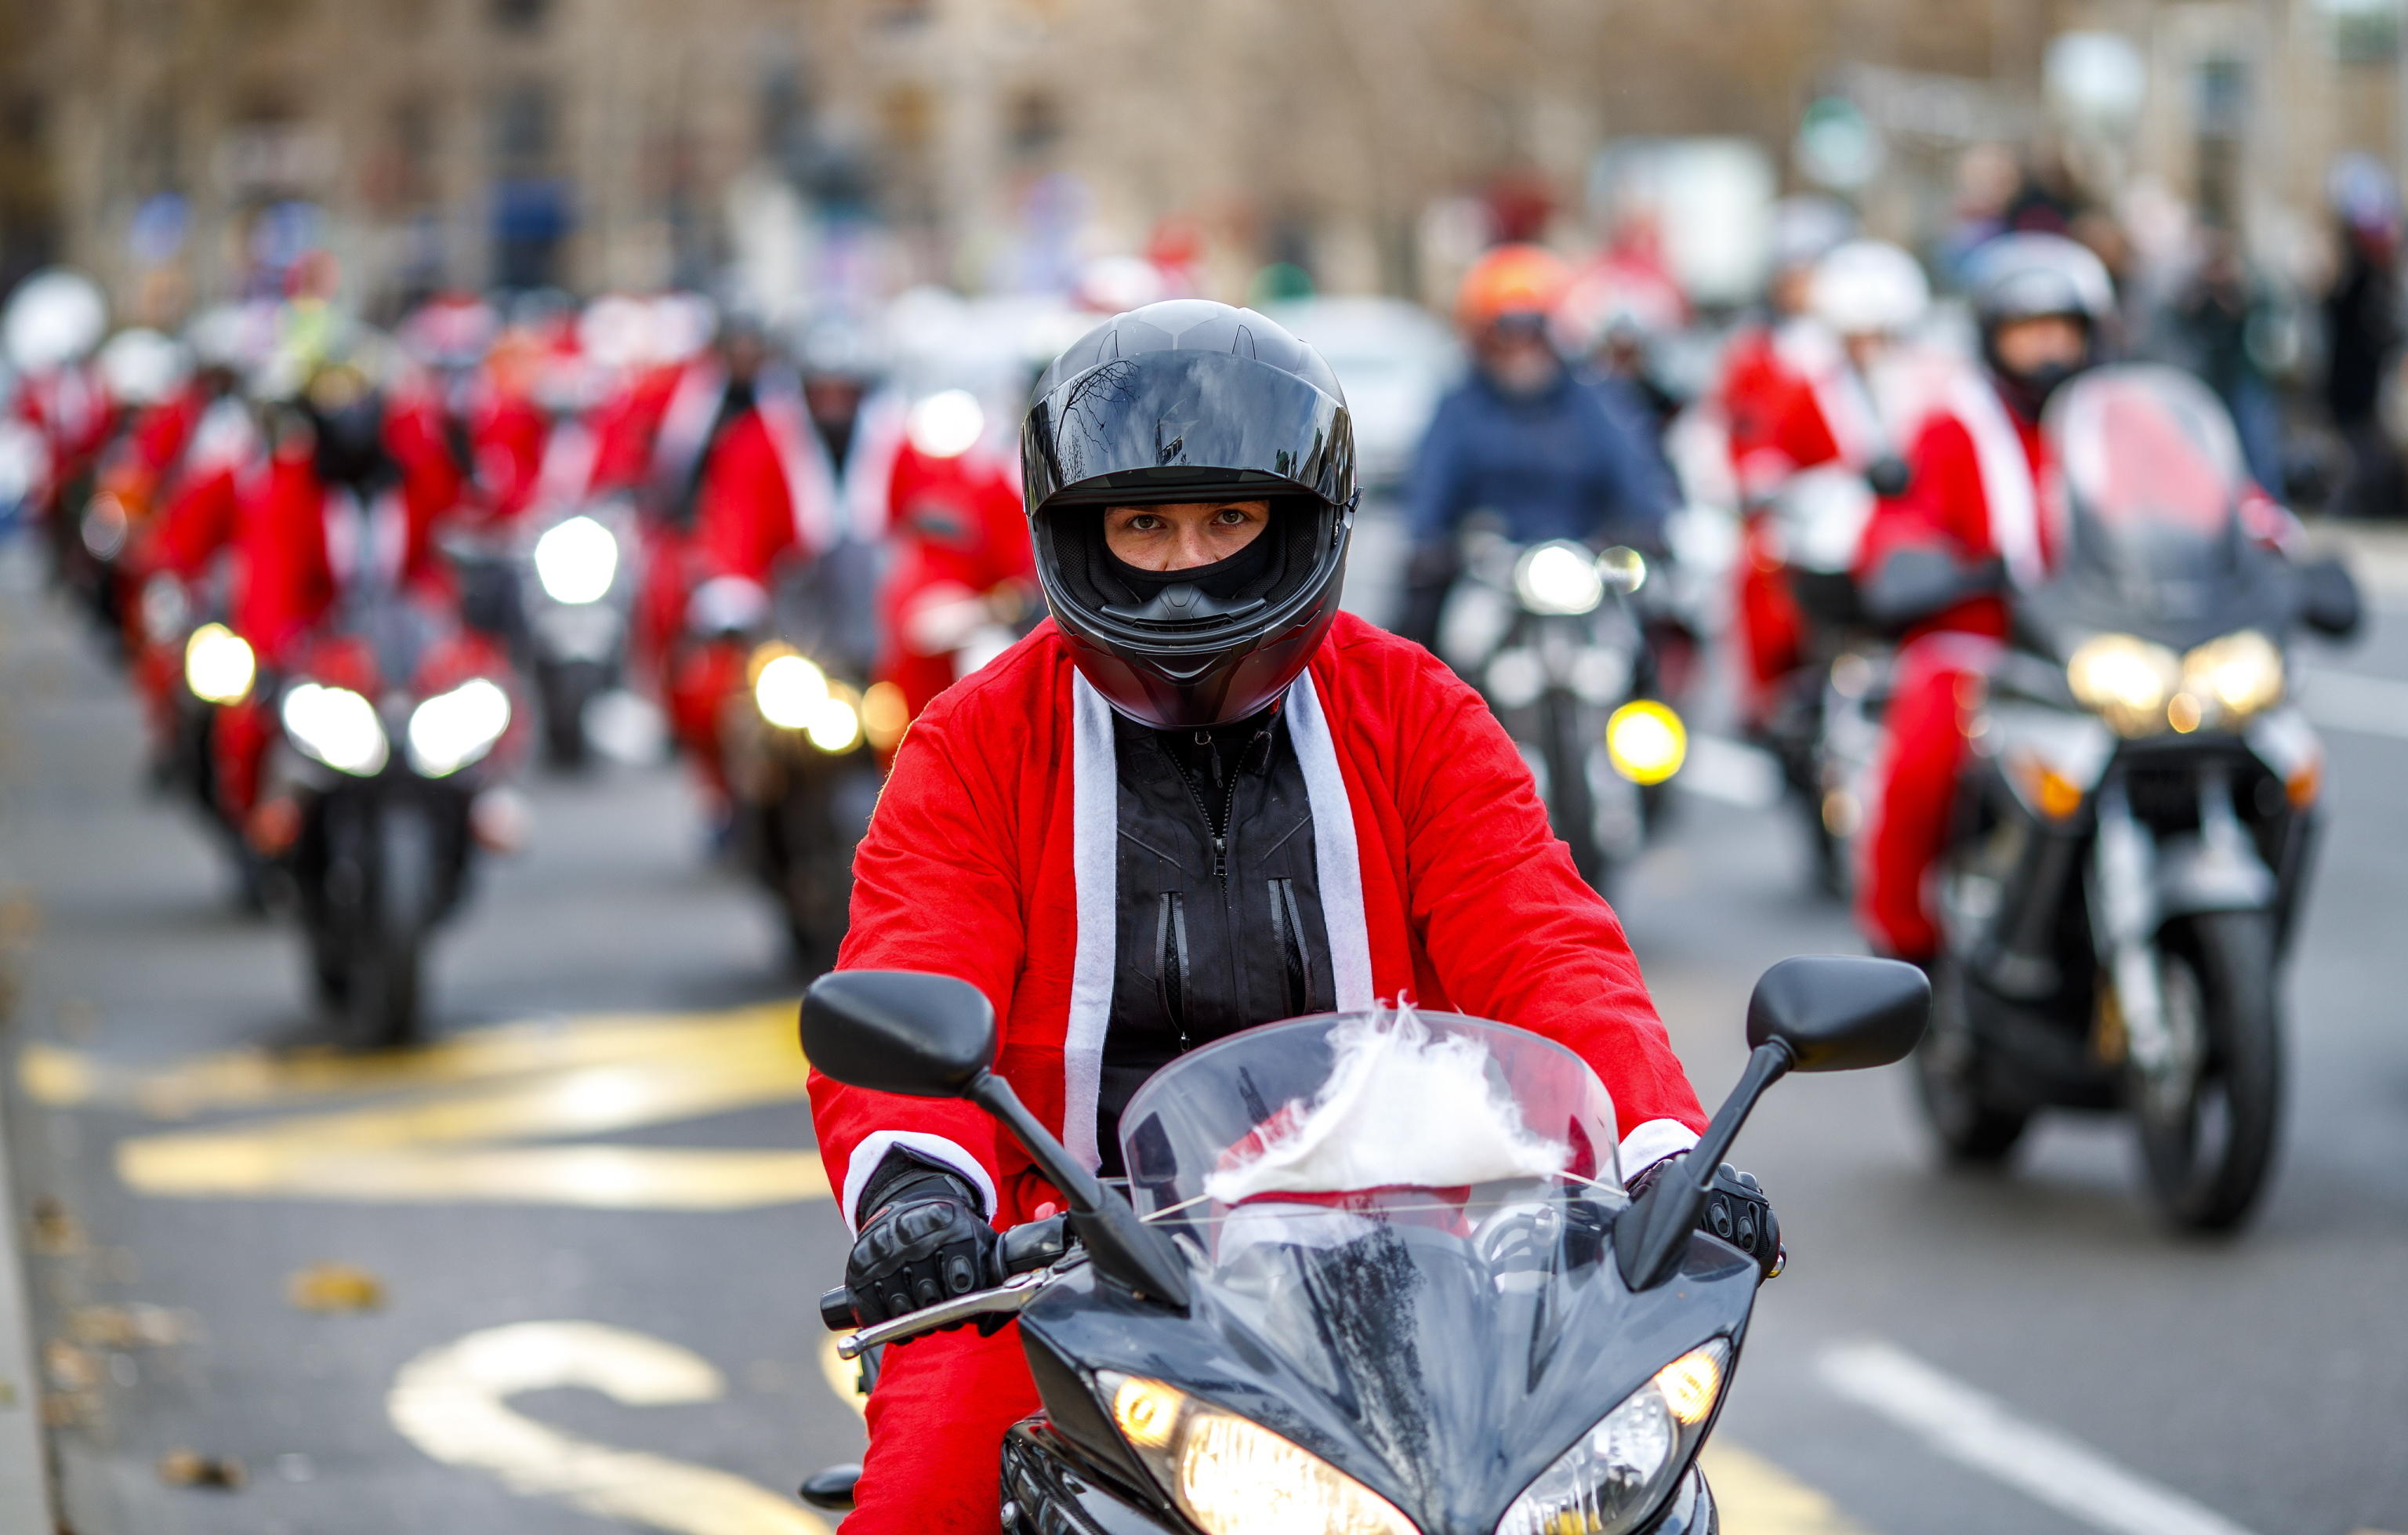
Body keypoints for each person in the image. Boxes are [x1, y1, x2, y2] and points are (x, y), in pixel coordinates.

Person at [807, 299, 1776, 1535]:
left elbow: (1544, 941)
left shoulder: (1413, 708)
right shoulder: (978, 740)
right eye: (1144, 524)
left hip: (1417, 1269)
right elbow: (910, 957)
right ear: (1077, 532)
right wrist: (916, 1202)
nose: (1189, 559)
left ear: (1302, 521)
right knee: (920, 1511)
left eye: (1228, 517)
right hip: (1056, 1279)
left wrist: (1664, 1150)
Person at [1851, 234, 2113, 963]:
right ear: (1994, 338)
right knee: (1927, 738)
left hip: (2113, 646)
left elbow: (2205, 500)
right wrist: (1922, 563)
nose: (2050, 347)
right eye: (2029, 331)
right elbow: (1903, 522)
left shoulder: (2118, 418)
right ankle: (1904, 941)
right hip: (1990, 647)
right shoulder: (1954, 423)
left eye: (2064, 328)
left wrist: (2270, 541)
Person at [1398, 245, 1678, 648]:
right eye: (1504, 333)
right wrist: (1428, 543)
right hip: (1488, 577)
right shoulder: (1459, 408)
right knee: (1421, 639)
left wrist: (1651, 525)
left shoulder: (1595, 401)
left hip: (1586, 574)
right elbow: (1430, 484)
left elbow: (1634, 469)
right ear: (1481, 337)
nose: (1520, 347)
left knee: (1647, 635)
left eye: (1532, 330)